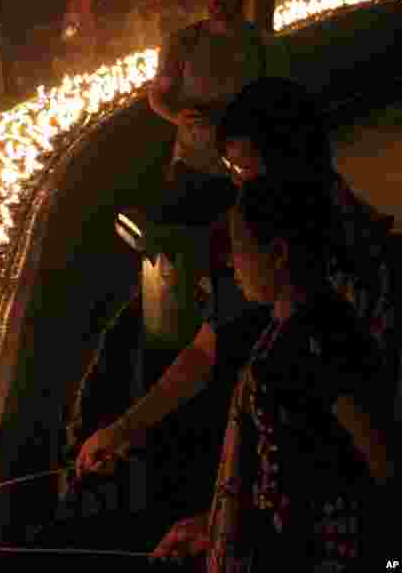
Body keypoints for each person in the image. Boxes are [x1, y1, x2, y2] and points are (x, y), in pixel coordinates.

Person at [153, 177, 393, 571]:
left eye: (238, 249)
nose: (231, 262)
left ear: (278, 252)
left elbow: (379, 457)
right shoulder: (292, 330)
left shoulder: (318, 340)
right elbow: (282, 475)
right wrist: (216, 526)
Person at [147, 0, 267, 225]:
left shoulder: (260, 44)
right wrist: (175, 116)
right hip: (193, 169)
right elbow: (157, 94)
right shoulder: (183, 42)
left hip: (246, 176)